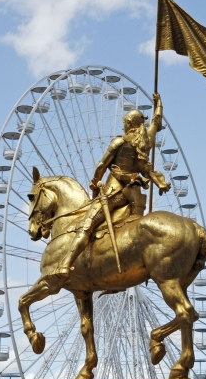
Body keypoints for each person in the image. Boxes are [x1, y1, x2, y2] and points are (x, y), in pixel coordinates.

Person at [49, 92, 170, 279]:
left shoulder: (120, 142)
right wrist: (159, 104)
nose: (123, 125)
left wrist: (95, 183)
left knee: (85, 226)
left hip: (115, 193)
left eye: (125, 122)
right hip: (136, 197)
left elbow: (101, 165)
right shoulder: (146, 142)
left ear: (130, 124)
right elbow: (157, 123)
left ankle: (65, 264)